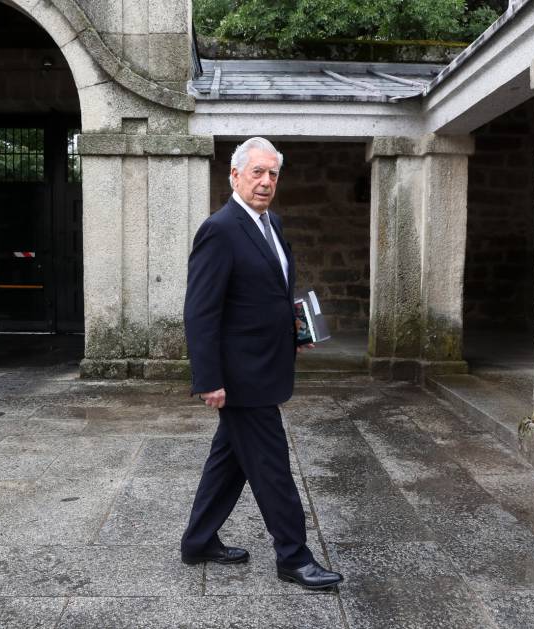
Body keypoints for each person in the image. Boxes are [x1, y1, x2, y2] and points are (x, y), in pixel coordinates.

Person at [179, 137, 344, 590]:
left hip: (267, 363)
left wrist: (296, 328)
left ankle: (197, 541)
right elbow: (201, 310)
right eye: (257, 172)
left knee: (228, 462)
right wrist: (208, 379)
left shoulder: (272, 223)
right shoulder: (220, 228)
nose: (266, 181)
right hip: (241, 376)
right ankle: (294, 556)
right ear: (234, 176)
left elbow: (269, 291)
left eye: (273, 173)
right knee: (272, 467)